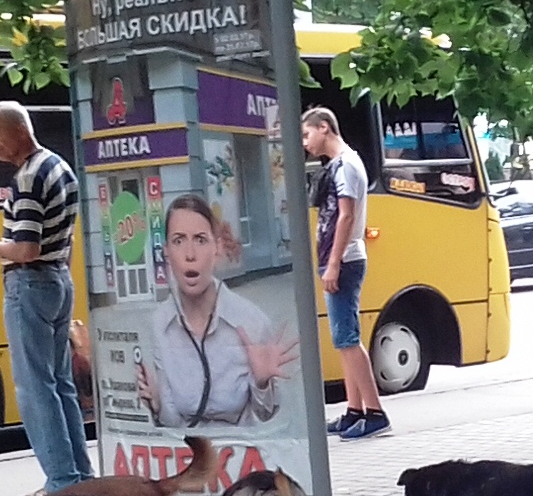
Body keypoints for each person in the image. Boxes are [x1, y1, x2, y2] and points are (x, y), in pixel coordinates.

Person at [0, 101, 93, 493]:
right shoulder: (61, 167)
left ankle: (61, 481)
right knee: (60, 384)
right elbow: (66, 237)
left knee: (34, 387)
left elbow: (25, 248)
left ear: (19, 131)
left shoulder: (27, 178)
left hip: (30, 284)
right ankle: (80, 475)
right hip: (59, 280)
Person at [136, 194, 298, 427]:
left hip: (244, 457)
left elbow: (267, 419)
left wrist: (262, 384)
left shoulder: (251, 321)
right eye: (179, 241)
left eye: (201, 240)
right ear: (167, 253)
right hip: (195, 459)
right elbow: (174, 424)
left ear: (217, 248)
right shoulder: (160, 323)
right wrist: (158, 404)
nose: (190, 254)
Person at [301, 107, 389, 440]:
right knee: (343, 338)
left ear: (324, 128)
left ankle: (375, 412)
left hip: (346, 260)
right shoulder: (340, 165)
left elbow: (346, 216)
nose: (305, 143)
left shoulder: (347, 166)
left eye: (308, 135)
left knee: (348, 340)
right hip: (339, 259)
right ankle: (354, 410)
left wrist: (334, 262)